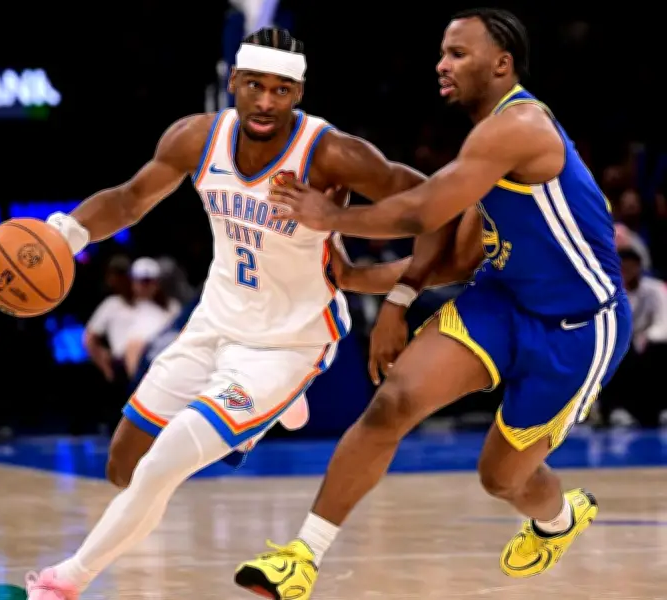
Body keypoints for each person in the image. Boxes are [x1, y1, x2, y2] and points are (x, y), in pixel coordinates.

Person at [24, 26, 476, 600]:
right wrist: (64, 233)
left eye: (282, 90)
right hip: (215, 320)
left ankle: (65, 582)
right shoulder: (196, 138)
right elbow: (130, 199)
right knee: (124, 466)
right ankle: (274, 408)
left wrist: (402, 295)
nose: (266, 102)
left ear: (298, 93)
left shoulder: (331, 153)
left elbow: (433, 207)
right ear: (234, 81)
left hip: (288, 341)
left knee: (165, 463)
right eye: (255, 86)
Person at [235, 8, 633, 598]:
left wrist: (330, 216)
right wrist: (360, 281)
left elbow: (423, 211)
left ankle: (559, 518)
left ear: (501, 64)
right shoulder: (485, 141)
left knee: (500, 478)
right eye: (443, 53)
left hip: (578, 329)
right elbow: (456, 260)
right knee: (392, 403)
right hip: (501, 300)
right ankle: (301, 557)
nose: (442, 65)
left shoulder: (520, 126)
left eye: (458, 54)